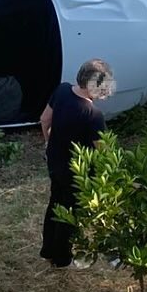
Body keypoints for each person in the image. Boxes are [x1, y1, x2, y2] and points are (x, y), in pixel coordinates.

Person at [39, 59, 115, 270]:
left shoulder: (62, 91)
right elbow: (103, 151)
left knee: (55, 204)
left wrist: (48, 142)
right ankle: (62, 260)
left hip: (55, 162)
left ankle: (48, 251)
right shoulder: (94, 116)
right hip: (77, 172)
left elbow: (44, 119)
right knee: (69, 214)